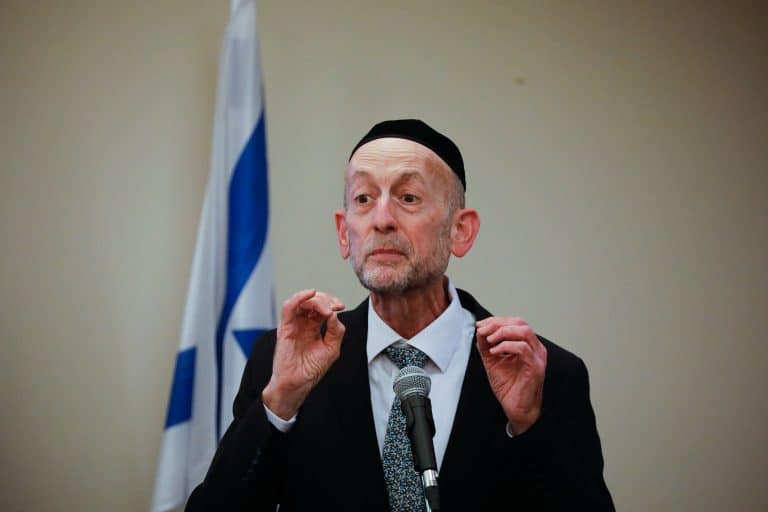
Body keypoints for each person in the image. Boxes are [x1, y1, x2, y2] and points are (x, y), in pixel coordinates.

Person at [186, 119, 615, 511]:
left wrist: (529, 429)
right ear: (344, 232)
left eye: (408, 197)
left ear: (460, 230)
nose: (382, 219)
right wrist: (280, 403)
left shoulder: (544, 372)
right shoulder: (282, 362)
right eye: (363, 199)